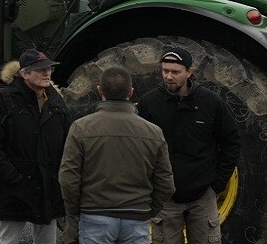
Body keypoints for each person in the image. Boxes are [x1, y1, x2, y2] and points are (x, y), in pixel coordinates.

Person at [59, 66, 174, 244]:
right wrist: (148, 210)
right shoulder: (153, 132)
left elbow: (68, 177)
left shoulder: (80, 128)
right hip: (137, 217)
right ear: (131, 92)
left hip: (95, 214)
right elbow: (166, 183)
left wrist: (75, 210)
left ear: (99, 91)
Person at [138, 47, 240, 244]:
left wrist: (217, 183)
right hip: (165, 199)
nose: (168, 77)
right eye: (165, 71)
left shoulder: (210, 102)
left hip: (203, 196)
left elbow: (231, 141)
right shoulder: (149, 102)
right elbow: (139, 147)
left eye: (175, 72)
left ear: (189, 72)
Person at [0, 49, 71, 244]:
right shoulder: (4, 100)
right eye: (40, 69)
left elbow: (68, 141)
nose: (47, 73)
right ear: (24, 74)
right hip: (16, 188)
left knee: (47, 241)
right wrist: (12, 177)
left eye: (49, 68)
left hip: (48, 187)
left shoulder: (56, 101)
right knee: (9, 240)